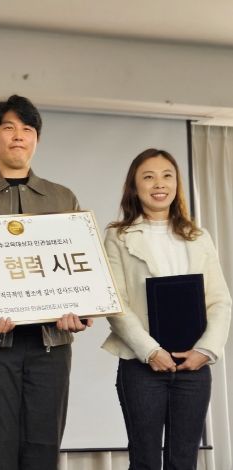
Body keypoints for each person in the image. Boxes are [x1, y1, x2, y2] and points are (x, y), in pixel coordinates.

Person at [0, 94, 91, 470]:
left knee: (44, 447)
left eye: (27, 129)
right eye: (8, 128)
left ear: (36, 139)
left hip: (51, 343)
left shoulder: (63, 197)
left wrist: (83, 311)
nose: (18, 136)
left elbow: (82, 265)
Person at [102, 148, 231, 469]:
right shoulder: (117, 236)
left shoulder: (199, 236)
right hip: (141, 365)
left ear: (176, 184)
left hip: (193, 365)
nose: (159, 183)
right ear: (134, 187)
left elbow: (219, 300)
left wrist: (205, 350)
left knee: (184, 460)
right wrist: (150, 351)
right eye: (148, 177)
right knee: (144, 460)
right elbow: (115, 302)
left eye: (167, 176)